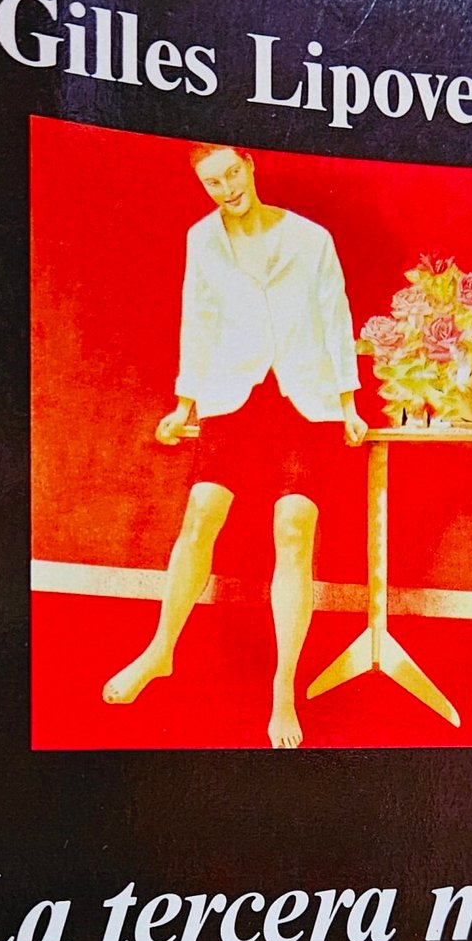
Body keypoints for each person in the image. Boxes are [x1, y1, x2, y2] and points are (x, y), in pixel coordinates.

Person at [103, 144, 369, 748]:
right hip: (234, 396)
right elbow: (197, 321)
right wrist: (184, 403)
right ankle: (160, 650)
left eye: (231, 174)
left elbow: (336, 320)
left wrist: (349, 404)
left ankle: (282, 689)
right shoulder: (202, 240)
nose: (226, 189)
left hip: (305, 399)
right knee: (201, 513)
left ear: (250, 165)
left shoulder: (311, 239)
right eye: (212, 182)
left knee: (293, 527)